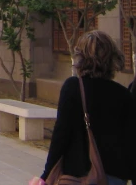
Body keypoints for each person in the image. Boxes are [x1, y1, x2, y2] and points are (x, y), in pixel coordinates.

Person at [28, 31, 136, 185]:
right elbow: (131, 144)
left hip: (78, 176)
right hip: (114, 178)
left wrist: (45, 175)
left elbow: (61, 134)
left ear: (80, 58)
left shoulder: (73, 87)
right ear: (112, 58)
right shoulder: (123, 95)